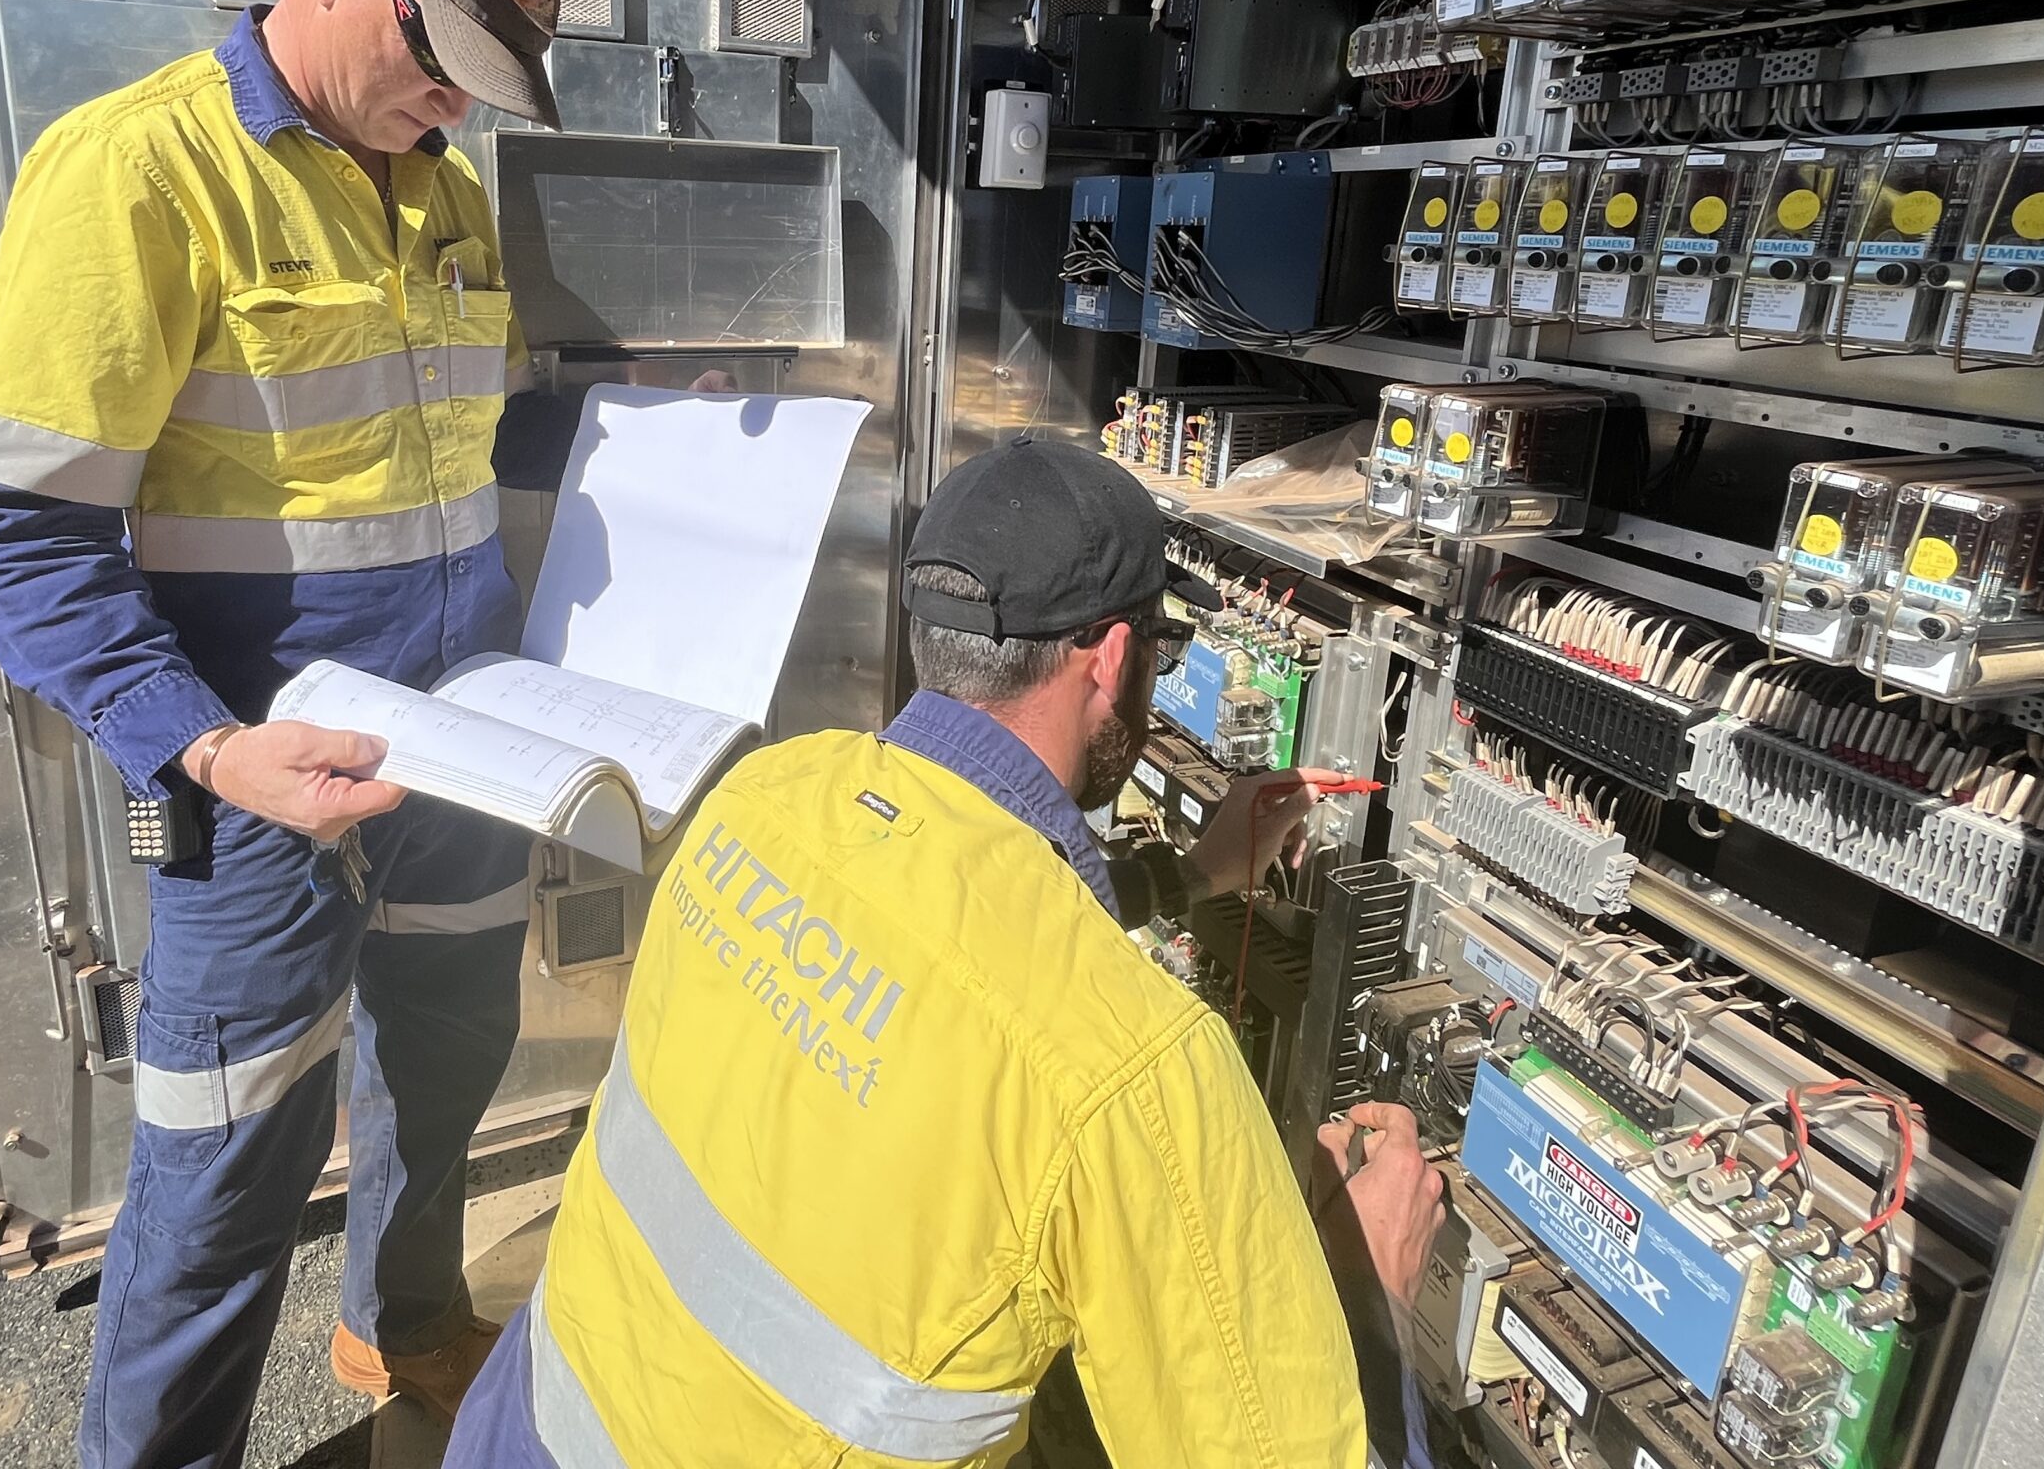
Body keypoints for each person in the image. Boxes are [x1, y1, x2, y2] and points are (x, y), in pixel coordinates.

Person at [0, 0, 581, 1466]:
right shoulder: (139, 170)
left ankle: (402, 1322)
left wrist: (644, 435)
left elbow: (470, 438)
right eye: (443, 59)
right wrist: (212, 748)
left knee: (446, 1080)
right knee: (217, 1185)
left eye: (486, 82)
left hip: (463, 752)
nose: (456, 105)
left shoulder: (445, 191)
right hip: (261, 791)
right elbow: (11, 532)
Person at [445, 433, 1447, 1468]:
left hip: (519, 1426)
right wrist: (1364, 1302)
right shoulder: (1143, 1075)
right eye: (1163, 646)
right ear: (1110, 656)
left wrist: (1184, 876)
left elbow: (950, 938)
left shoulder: (762, 795)